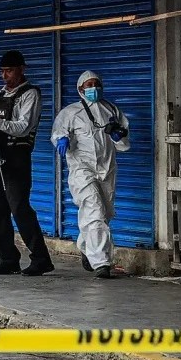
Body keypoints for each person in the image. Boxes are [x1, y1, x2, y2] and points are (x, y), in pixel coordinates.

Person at [0, 50, 54, 276]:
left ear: (22, 69)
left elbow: (23, 127)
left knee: (20, 208)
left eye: (9, 71)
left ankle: (41, 258)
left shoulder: (30, 94)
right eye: (2, 71)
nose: (5, 76)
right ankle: (7, 258)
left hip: (16, 158)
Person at [51, 71, 129, 279]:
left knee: (105, 214)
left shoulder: (111, 110)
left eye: (96, 83)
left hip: (107, 169)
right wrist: (61, 139)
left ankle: (86, 246)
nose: (93, 87)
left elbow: (123, 144)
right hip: (82, 170)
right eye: (89, 84)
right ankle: (101, 263)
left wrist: (118, 135)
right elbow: (58, 131)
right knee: (94, 211)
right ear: (80, 89)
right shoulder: (71, 112)